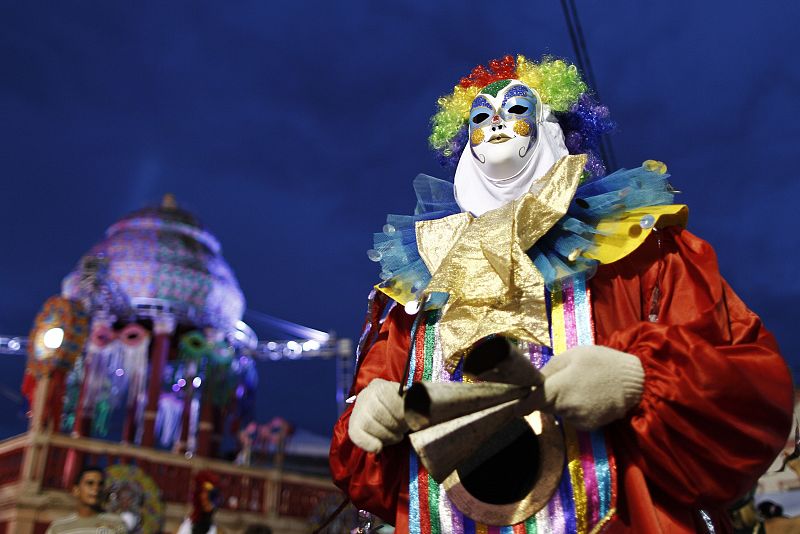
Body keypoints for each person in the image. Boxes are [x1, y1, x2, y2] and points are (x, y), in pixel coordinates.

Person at [329, 54, 794, 533]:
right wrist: (371, 415)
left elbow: (751, 395)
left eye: (516, 110)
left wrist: (641, 379)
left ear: (551, 126)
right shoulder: (422, 280)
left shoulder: (636, 248)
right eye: (481, 117)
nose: (496, 125)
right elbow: (371, 469)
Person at [46, 465, 127, 534]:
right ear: (76, 490)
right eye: (90, 483)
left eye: (100, 484)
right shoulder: (59, 527)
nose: (96, 488)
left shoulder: (116, 523)